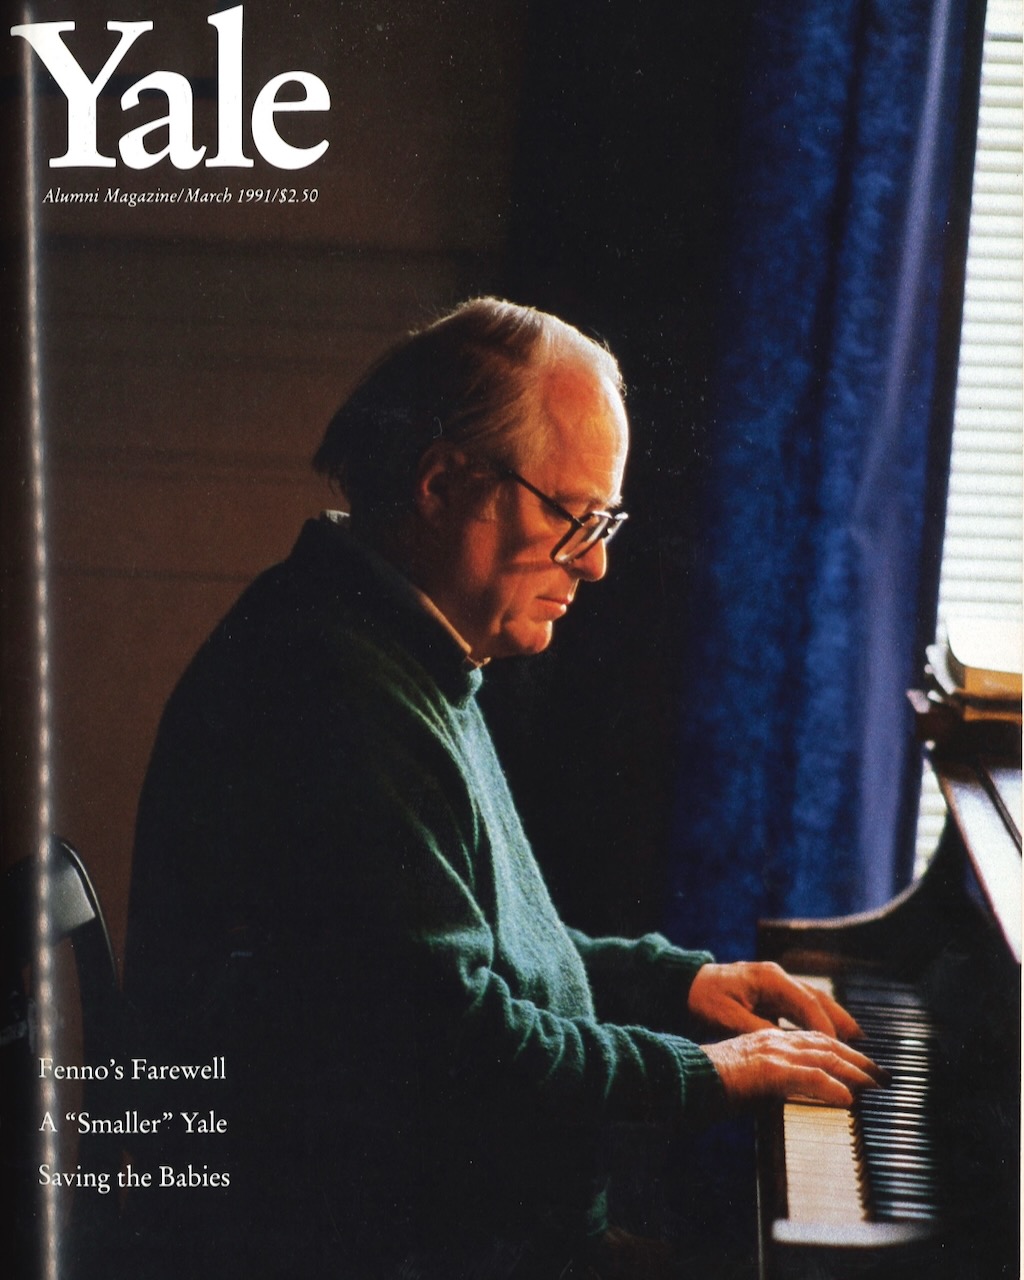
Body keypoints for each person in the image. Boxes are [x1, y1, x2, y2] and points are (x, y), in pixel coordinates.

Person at [122, 298, 882, 1280]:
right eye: (573, 516)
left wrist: (677, 984)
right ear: (443, 485)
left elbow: (466, 963)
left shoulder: (399, 643)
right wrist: (699, 1072)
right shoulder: (331, 689)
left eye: (605, 521)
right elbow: (452, 1046)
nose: (596, 563)